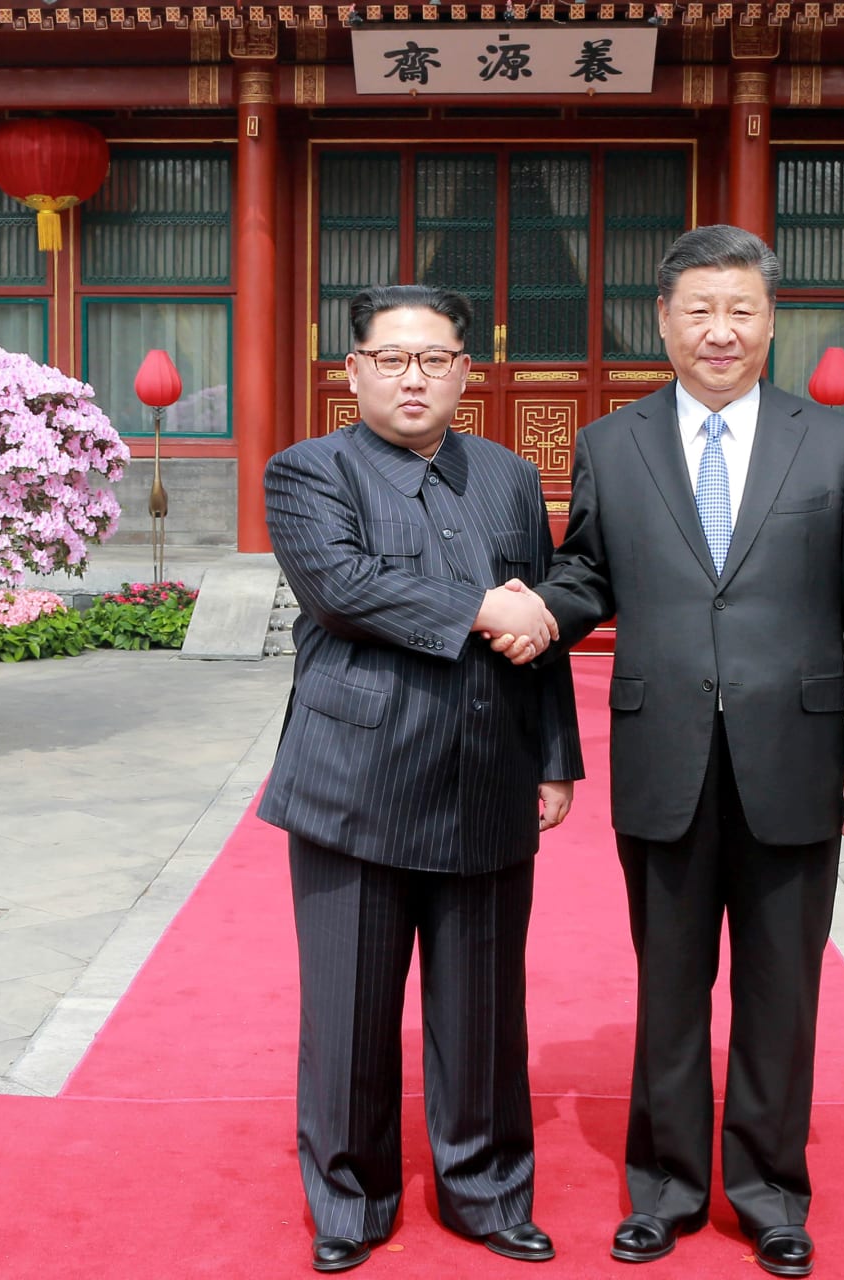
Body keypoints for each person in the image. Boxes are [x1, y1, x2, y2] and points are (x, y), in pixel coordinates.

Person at [501, 225, 844, 1278]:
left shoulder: (834, 443)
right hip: (664, 751)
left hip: (798, 752)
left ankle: (770, 1192)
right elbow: (590, 571)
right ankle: (667, 1188)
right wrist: (537, 611)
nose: (719, 331)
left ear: (770, 321)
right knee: (670, 986)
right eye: (699, 310)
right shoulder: (612, 443)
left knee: (782, 988)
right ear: (664, 322)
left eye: (740, 310)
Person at [259, 284, 583, 1274]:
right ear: (352, 370)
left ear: (464, 372)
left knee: (484, 1010)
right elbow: (343, 586)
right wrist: (486, 606)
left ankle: (488, 1191)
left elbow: (541, 623)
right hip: (354, 781)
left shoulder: (510, 477)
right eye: (392, 359)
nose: (414, 378)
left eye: (435, 359)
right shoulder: (308, 471)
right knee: (350, 1012)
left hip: (488, 770)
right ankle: (350, 1200)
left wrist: (555, 756)